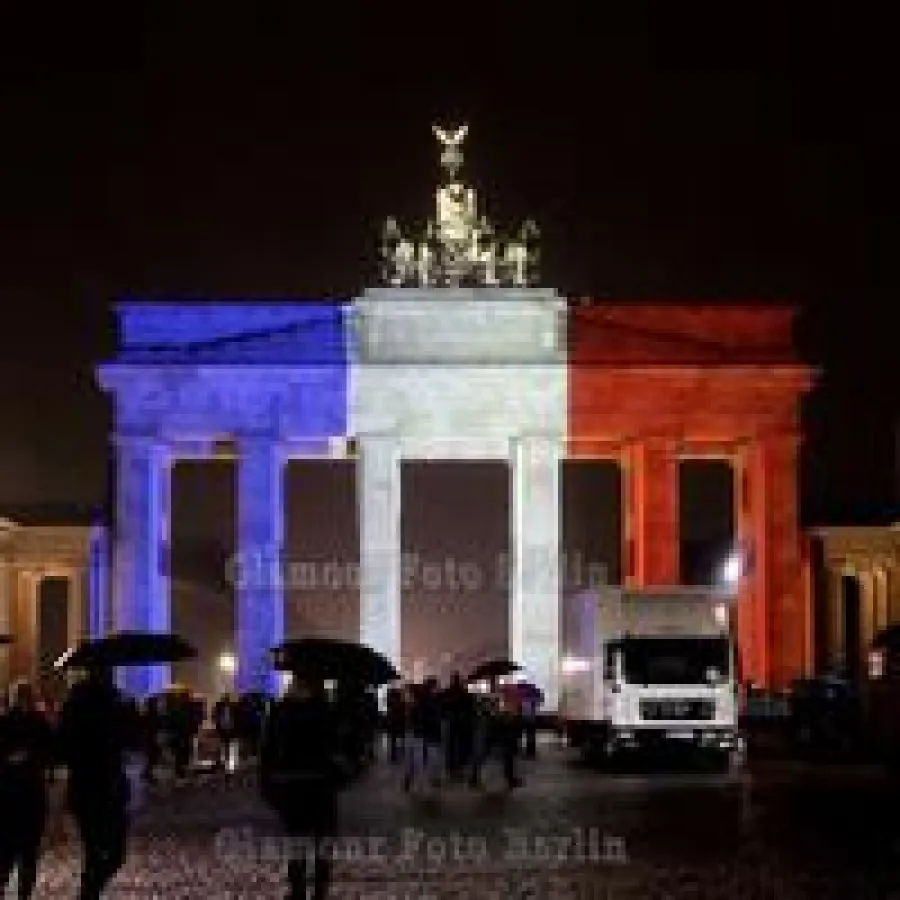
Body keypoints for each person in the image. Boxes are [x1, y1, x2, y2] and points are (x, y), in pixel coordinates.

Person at [259, 676, 342, 900]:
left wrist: (266, 783)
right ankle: (320, 892)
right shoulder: (327, 711)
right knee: (322, 842)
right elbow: (338, 748)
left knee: (296, 841)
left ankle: (297, 891)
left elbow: (268, 750)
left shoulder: (280, 711)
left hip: (291, 785)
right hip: (320, 784)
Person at [58, 666, 135, 900]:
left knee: (99, 853)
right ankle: (88, 894)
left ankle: (88, 893)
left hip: (93, 788)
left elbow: (63, 744)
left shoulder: (77, 703)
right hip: (100, 787)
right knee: (110, 854)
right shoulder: (97, 703)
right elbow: (131, 739)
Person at [0, 680, 54, 898]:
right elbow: (51, 753)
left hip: (13, 794)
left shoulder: (6, 722)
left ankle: (14, 890)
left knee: (11, 849)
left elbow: (50, 754)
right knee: (22, 850)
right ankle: (20, 892)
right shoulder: (38, 722)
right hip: (25, 793)